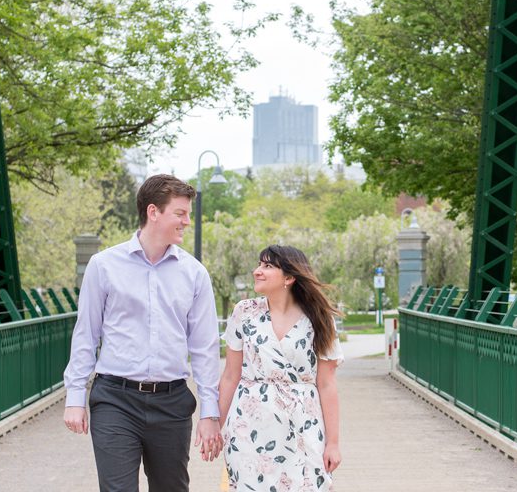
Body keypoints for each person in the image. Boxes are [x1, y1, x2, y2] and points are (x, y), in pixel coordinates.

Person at [63, 174, 223, 491]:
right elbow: (86, 335)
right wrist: (75, 396)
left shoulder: (194, 274)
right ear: (153, 212)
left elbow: (205, 348)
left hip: (172, 402)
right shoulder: (103, 266)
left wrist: (210, 413)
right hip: (115, 400)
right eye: (180, 213)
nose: (187, 222)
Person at [219, 245, 343, 491]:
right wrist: (214, 425)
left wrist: (333, 443)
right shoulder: (244, 312)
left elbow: (327, 385)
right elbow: (230, 377)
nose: (257, 271)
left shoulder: (319, 319)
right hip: (249, 428)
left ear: (289, 277)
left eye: (267, 266)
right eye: (258, 265)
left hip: (302, 427)